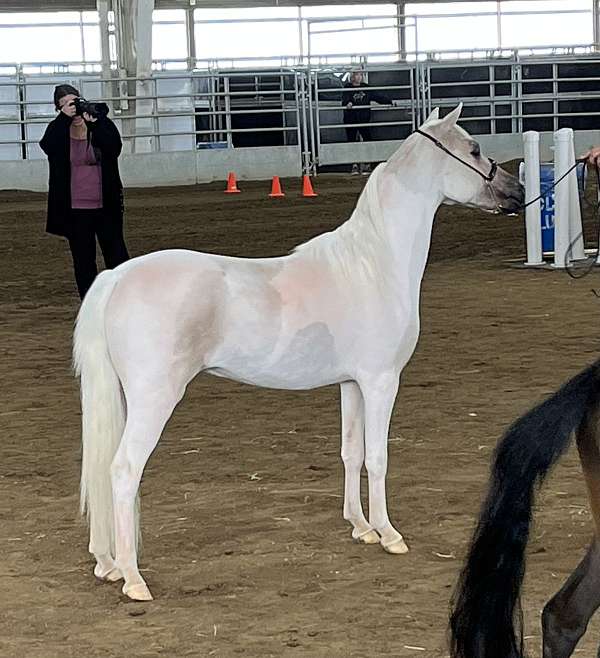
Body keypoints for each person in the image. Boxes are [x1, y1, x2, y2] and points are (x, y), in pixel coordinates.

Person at [40, 84, 129, 300]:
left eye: (76, 102)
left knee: (117, 257)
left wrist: (96, 124)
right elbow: (47, 146)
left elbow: (114, 147)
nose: (74, 109)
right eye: (67, 105)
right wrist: (63, 119)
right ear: (59, 108)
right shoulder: (58, 130)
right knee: (84, 262)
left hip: (105, 205)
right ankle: (90, 304)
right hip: (75, 210)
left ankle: (124, 299)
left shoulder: (98, 123)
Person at [342, 70, 393, 175]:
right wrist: (348, 103)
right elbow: (345, 99)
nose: (359, 77)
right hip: (351, 119)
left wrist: (389, 101)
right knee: (351, 141)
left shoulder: (366, 87)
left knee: (367, 140)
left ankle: (367, 164)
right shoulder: (348, 87)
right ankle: (354, 164)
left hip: (364, 119)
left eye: (360, 75)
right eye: (356, 75)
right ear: (352, 76)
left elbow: (378, 97)